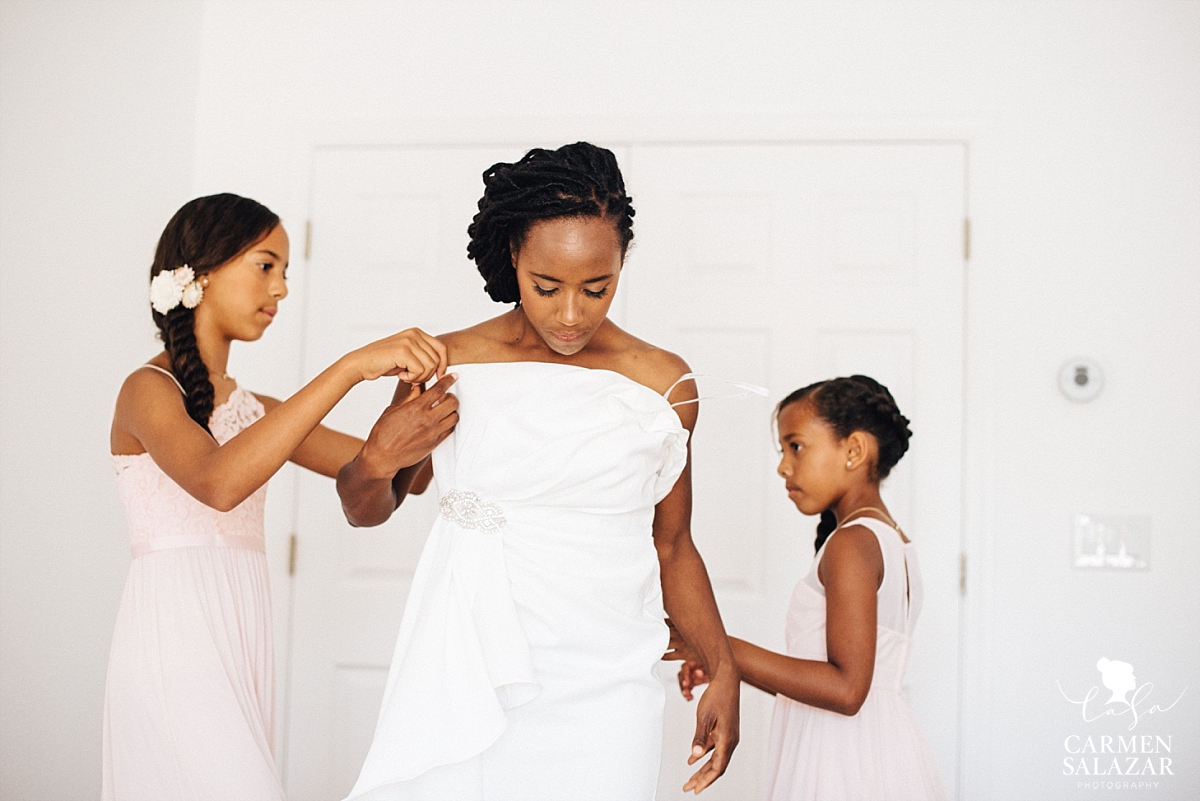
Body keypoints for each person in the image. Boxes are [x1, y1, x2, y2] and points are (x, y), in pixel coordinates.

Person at [338, 142, 740, 800]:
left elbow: (672, 542)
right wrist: (378, 455)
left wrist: (722, 665)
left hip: (608, 676)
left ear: (621, 265)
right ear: (513, 260)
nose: (572, 313)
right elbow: (365, 506)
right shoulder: (448, 364)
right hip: (470, 661)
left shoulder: (664, 383)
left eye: (598, 286)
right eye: (546, 287)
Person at [103, 193, 456, 801]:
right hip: (174, 642)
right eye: (266, 266)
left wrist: (409, 407)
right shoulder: (146, 390)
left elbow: (401, 478)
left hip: (240, 639)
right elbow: (218, 483)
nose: (282, 289)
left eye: (286, 271)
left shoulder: (255, 412)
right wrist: (351, 367)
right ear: (201, 271)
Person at [667, 376, 946, 801]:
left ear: (853, 450)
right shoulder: (890, 539)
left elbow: (846, 689)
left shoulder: (853, 543)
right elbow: (826, 679)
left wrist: (717, 647)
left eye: (795, 446)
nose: (782, 465)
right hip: (873, 745)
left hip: (842, 757)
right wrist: (727, 665)